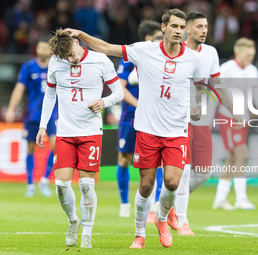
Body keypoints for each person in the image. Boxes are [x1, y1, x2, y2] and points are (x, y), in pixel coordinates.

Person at [65, 8, 215, 249]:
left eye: (181, 27)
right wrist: (82, 34)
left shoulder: (194, 59)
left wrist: (196, 105)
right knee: (146, 186)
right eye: (173, 26)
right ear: (163, 28)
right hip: (147, 129)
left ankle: (163, 219)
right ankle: (139, 234)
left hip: (177, 130)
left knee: (173, 182)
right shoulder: (145, 51)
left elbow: (198, 87)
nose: (178, 31)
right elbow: (107, 48)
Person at [36, 29, 124, 248]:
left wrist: (104, 102)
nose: (71, 60)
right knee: (61, 185)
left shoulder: (100, 60)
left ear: (77, 41)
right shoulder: (56, 62)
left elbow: (119, 93)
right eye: (66, 58)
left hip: (91, 132)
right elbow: (50, 94)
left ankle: (87, 232)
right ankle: (72, 220)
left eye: (72, 54)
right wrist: (42, 125)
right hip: (65, 132)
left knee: (86, 185)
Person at [175, 11, 237, 236]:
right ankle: (182, 221)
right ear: (187, 29)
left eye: (206, 26)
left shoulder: (210, 52)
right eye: (199, 26)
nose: (204, 30)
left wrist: (234, 112)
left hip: (200, 120)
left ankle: (167, 204)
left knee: (203, 173)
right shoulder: (176, 52)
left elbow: (217, 85)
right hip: (177, 120)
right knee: (183, 171)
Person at [213, 38, 258, 210]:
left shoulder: (252, 70)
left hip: (243, 119)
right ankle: (241, 198)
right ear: (238, 53)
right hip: (229, 118)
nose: (250, 59)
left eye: (252, 56)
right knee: (242, 154)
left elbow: (256, 91)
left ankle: (220, 198)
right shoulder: (227, 69)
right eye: (247, 55)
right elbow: (216, 91)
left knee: (232, 158)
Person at [116, 20, 164, 219]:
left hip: (155, 119)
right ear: (148, 39)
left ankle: (157, 204)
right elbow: (120, 87)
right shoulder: (131, 58)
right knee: (125, 159)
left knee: (157, 162)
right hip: (130, 116)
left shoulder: (164, 59)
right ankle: (125, 203)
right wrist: (139, 105)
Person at [6, 40, 57, 197]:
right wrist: (11, 108)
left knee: (56, 147)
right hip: (33, 114)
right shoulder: (28, 67)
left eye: (44, 47)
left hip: (53, 113)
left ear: (50, 50)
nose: (41, 50)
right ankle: (30, 184)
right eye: (39, 47)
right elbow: (19, 88)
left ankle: (44, 180)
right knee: (30, 148)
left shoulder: (56, 66)